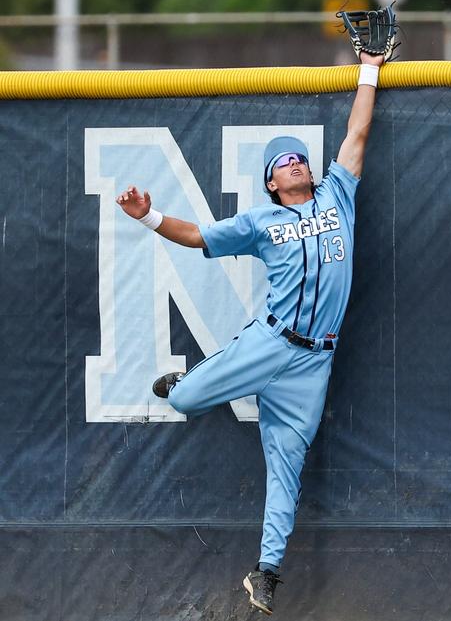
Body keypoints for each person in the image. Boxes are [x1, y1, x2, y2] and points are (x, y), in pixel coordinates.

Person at [115, 50, 385, 615]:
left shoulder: (338, 196)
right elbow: (197, 237)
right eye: (283, 161)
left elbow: (357, 134)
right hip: (272, 342)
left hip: (314, 366)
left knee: (287, 468)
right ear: (270, 179)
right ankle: (184, 380)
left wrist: (369, 69)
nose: (294, 164)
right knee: (186, 399)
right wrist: (147, 215)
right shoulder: (260, 223)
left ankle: (265, 571)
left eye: (299, 159)